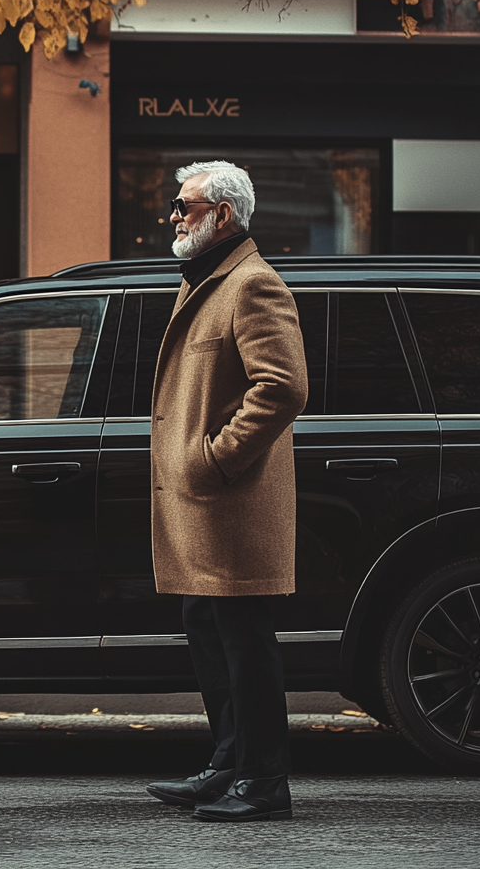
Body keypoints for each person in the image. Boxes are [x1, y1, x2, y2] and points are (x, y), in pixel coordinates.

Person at [144, 161, 308, 823]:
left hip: (231, 502)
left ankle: (266, 782)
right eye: (177, 206)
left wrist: (215, 459)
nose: (176, 215)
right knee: (208, 630)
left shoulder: (252, 284)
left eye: (187, 206)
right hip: (204, 508)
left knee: (245, 642)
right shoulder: (205, 279)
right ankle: (229, 763)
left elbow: (283, 387)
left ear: (226, 215)